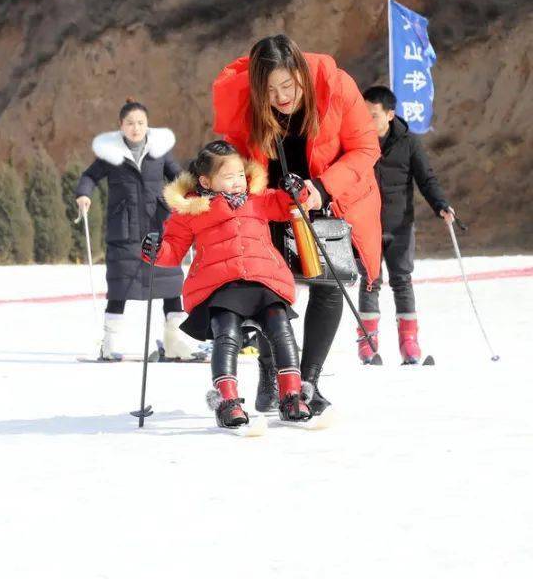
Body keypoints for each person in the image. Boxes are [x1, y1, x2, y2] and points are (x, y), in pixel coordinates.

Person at [212, 35, 382, 414]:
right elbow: (235, 156)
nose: (282, 96)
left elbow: (366, 148)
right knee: (271, 289)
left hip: (330, 196)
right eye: (270, 90)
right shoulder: (247, 104)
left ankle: (308, 381)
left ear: (303, 74)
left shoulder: (336, 86)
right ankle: (273, 371)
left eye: (289, 85)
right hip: (272, 200)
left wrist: (322, 187)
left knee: (328, 283)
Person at [143, 141, 313, 427]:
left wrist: (297, 190)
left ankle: (292, 394)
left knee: (280, 326)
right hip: (220, 287)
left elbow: (287, 205)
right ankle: (228, 400)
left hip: (263, 280)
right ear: (206, 181)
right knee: (227, 331)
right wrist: (155, 251)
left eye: (239, 175)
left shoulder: (257, 198)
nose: (237, 182)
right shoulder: (192, 211)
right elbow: (172, 251)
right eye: (229, 176)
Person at [74, 97, 206, 362]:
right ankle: (108, 344)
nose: (136, 127)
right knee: (120, 287)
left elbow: (178, 177)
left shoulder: (159, 151)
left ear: (148, 125)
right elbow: (89, 176)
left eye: (140, 122)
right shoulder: (110, 155)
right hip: (123, 230)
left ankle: (174, 343)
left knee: (170, 286)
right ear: (121, 126)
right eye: (130, 123)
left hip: (158, 226)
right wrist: (84, 194)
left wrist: (191, 193)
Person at [358, 86, 455, 364]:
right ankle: (367, 342)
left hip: (400, 225)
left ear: (390, 114)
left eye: (373, 115)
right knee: (369, 282)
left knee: (402, 281)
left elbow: (426, 178)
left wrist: (441, 205)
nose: (367, 121)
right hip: (366, 226)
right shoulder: (357, 141)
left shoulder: (409, 142)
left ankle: (409, 343)